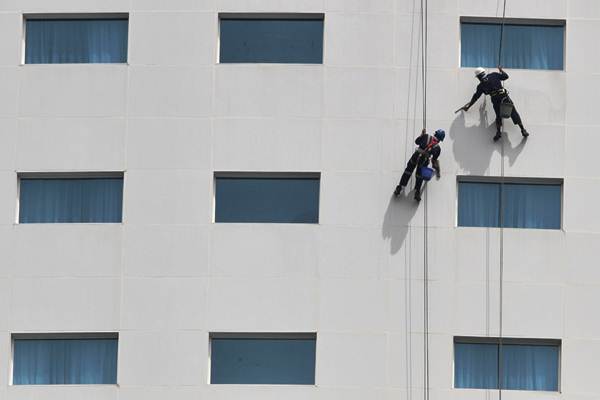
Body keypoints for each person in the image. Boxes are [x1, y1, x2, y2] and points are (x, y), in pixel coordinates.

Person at [459, 66, 529, 142]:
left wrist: (468, 106)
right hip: (503, 97)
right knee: (512, 113)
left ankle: (500, 132)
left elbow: (475, 97)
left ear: (478, 77)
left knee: (500, 115)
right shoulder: (493, 75)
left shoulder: (481, 85)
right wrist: (501, 70)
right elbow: (505, 76)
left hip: (497, 99)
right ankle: (522, 130)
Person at [393, 129, 444, 202]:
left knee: (408, 171)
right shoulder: (438, 148)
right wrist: (437, 170)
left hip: (416, 155)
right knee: (419, 175)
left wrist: (422, 135)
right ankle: (417, 192)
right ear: (440, 139)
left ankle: (400, 187)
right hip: (424, 159)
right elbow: (434, 160)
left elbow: (416, 142)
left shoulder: (426, 136)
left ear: (435, 134)